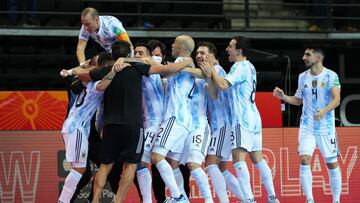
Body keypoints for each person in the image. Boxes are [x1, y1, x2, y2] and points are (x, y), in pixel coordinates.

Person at [76, 40, 193, 203]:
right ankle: (120, 201)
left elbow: (82, 75)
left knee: (106, 165)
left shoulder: (108, 70)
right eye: (135, 53)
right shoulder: (138, 68)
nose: (138, 55)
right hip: (134, 125)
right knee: (133, 165)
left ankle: (95, 200)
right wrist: (188, 61)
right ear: (129, 53)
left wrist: (78, 68)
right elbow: (168, 69)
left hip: (113, 125)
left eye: (141, 53)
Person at [201, 36, 279, 203]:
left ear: (239, 50)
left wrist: (212, 69)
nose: (227, 49)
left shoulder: (239, 66)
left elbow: (222, 85)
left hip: (241, 118)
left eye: (230, 46)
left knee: (238, 160)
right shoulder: (250, 66)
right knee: (257, 158)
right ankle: (272, 197)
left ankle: (249, 199)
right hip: (254, 117)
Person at [273, 45, 341, 203]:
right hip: (307, 126)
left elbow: (336, 99)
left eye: (307, 55)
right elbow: (298, 100)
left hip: (326, 128)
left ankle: (336, 200)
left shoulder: (331, 75)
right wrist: (283, 96)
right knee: (304, 160)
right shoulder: (302, 76)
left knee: (332, 164)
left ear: (318, 58)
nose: (304, 58)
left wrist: (323, 111)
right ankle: (309, 199)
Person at [150, 35, 196, 203]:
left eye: (175, 43)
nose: (172, 45)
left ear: (181, 48)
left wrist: (149, 60)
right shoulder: (186, 63)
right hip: (184, 120)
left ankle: (177, 197)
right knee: (173, 163)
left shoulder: (181, 60)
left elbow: (166, 71)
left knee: (156, 156)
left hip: (174, 117)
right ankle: (182, 198)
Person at [58, 58, 105, 203]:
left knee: (105, 165)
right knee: (81, 170)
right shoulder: (80, 80)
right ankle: (64, 200)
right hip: (76, 127)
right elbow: (77, 82)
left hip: (87, 130)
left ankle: (91, 199)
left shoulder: (91, 79)